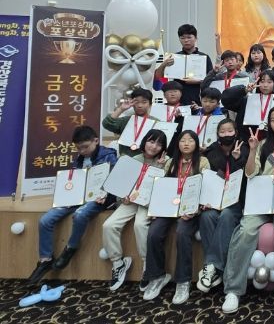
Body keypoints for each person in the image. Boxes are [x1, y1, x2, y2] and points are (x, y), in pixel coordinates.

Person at [222, 106, 274, 313]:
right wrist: (252, 150)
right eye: (272, 119)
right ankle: (233, 290)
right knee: (245, 231)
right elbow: (250, 174)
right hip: (261, 201)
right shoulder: (262, 145)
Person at [29, 126, 118, 284]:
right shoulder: (79, 159)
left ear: (96, 141)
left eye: (85, 147)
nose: (82, 151)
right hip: (76, 198)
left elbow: (115, 180)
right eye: (78, 148)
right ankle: (45, 259)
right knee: (45, 220)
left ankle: (70, 248)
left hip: (98, 200)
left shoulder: (109, 156)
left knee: (80, 215)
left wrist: (105, 193)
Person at [143, 130, 211, 304]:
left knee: (182, 233)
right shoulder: (171, 162)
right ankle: (157, 276)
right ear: (178, 144)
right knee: (153, 233)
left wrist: (194, 210)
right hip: (169, 207)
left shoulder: (203, 161)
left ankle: (183, 281)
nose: (186, 144)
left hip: (190, 210)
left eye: (190, 140)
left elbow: (205, 187)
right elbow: (162, 187)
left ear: (196, 144)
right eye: (182, 140)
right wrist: (156, 209)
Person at [101, 129, 170, 291]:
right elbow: (121, 186)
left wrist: (161, 168)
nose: (154, 146)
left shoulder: (166, 161)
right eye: (151, 141)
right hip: (131, 201)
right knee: (108, 225)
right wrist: (123, 198)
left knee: (140, 224)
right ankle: (118, 263)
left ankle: (147, 265)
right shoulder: (133, 160)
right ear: (144, 141)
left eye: (159, 144)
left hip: (149, 203)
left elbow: (167, 188)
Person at [197, 119, 249, 294]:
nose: (226, 134)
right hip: (214, 200)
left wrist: (236, 159)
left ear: (236, 132)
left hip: (236, 201)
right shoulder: (210, 152)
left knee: (227, 215)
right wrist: (206, 200)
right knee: (207, 216)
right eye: (222, 131)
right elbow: (209, 179)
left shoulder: (245, 148)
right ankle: (215, 269)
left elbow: (246, 176)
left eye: (230, 131)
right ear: (217, 134)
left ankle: (211, 267)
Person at [155, 24, 214, 106]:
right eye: (182, 38)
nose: (186, 40)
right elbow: (158, 76)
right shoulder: (174, 57)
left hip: (199, 99)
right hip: (177, 101)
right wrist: (164, 64)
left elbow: (211, 80)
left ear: (196, 38)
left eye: (189, 37)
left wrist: (197, 81)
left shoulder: (204, 57)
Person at [102, 88, 157, 157]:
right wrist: (121, 109)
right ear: (132, 103)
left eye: (144, 102)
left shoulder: (156, 123)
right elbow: (106, 123)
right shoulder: (125, 120)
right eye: (136, 102)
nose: (140, 105)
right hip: (126, 159)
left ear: (150, 104)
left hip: (147, 160)